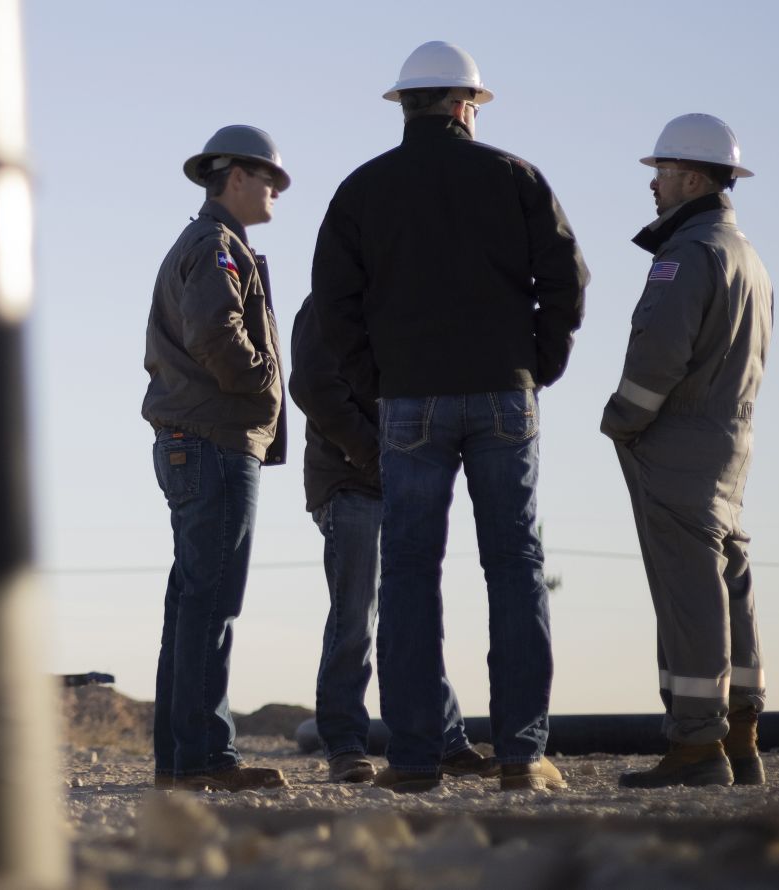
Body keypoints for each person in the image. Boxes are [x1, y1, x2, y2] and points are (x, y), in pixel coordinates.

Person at [310, 40, 589, 793]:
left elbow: (333, 307)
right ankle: (523, 758)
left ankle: (411, 761)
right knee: (515, 569)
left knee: (406, 575)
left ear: (404, 105)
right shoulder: (516, 178)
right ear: (468, 105)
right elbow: (567, 279)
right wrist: (540, 364)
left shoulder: (360, 190)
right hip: (504, 393)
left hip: (408, 402)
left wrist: (380, 381)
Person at [602, 113, 773, 788]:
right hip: (730, 442)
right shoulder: (747, 257)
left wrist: (623, 419)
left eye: (663, 173)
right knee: (729, 582)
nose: (654, 186)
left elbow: (659, 352)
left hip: (677, 443)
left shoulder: (688, 254)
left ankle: (698, 748)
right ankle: (742, 739)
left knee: (688, 593)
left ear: (695, 178)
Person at [138, 124, 292, 792]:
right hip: (213, 441)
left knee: (193, 602)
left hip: (194, 441)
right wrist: (262, 381)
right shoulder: (216, 246)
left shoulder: (211, 244)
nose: (277, 192)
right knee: (211, 602)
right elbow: (215, 334)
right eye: (270, 180)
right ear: (235, 177)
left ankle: (181, 759)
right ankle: (203, 757)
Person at [289, 295, 497, 784]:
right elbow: (314, 386)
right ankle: (344, 745)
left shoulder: (401, 297)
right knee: (356, 617)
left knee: (412, 611)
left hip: (403, 479)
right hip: (351, 482)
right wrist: (373, 455)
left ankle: (445, 741)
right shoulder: (327, 303)